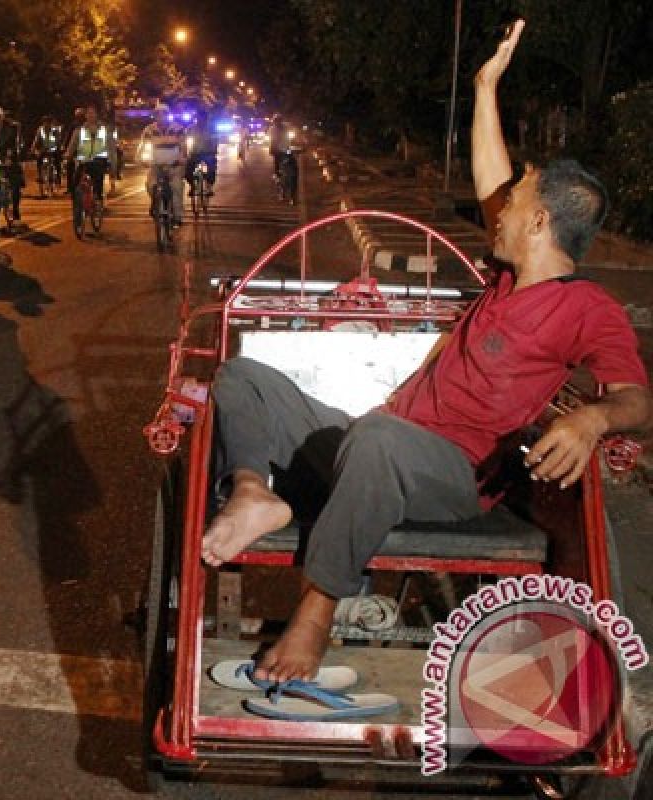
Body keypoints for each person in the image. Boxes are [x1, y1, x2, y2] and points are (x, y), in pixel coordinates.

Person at [200, 19, 652, 684]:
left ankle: (316, 616)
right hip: (375, 442)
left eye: (514, 203)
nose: (494, 210)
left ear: (539, 223)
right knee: (243, 377)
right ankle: (251, 493)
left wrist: (590, 419)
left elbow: (637, 398)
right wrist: (484, 87)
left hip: (452, 474)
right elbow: (492, 172)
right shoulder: (506, 275)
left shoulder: (587, 308)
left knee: (379, 439)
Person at [138, 103, 187, 225]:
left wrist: (182, 158)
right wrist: (140, 158)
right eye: (158, 114)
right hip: (156, 166)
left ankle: (177, 216)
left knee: (176, 187)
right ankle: (156, 205)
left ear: (168, 115)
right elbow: (142, 146)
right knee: (150, 185)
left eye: (163, 114)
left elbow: (183, 147)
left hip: (174, 166)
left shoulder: (178, 129)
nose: (161, 117)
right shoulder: (149, 130)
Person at [66, 103, 112, 209]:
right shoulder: (79, 130)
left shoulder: (104, 130)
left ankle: (98, 200)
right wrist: (68, 155)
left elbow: (111, 148)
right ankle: (77, 204)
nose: (91, 115)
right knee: (75, 180)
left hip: (99, 161)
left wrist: (112, 164)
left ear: (97, 115)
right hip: (84, 161)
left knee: (98, 180)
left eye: (93, 113)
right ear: (85, 115)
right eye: (88, 113)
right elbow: (72, 145)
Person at [0, 106, 24, 223]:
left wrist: (10, 157)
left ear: (2, 118)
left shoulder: (11, 128)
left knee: (15, 184)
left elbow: (13, 144)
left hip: (10, 156)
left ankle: (15, 210)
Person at [186, 109, 219, 196]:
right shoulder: (191, 128)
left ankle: (209, 187)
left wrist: (213, 149)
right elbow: (185, 139)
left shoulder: (211, 129)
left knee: (211, 167)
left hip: (208, 153)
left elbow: (215, 140)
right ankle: (193, 186)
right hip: (195, 154)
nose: (201, 120)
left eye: (203, 118)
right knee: (187, 169)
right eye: (199, 118)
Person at [30, 115, 63, 190]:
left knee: (57, 161)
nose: (46, 124)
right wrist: (33, 148)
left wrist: (59, 147)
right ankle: (40, 175)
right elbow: (36, 140)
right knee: (39, 159)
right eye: (45, 122)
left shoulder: (55, 130)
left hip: (53, 149)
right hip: (44, 149)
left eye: (48, 122)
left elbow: (58, 140)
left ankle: (58, 177)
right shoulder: (40, 130)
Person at [268, 115, 290, 180]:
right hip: (277, 148)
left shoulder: (285, 127)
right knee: (277, 160)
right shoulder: (272, 129)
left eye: (279, 120)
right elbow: (272, 139)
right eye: (276, 121)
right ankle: (277, 173)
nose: (278, 122)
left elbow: (288, 138)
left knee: (288, 158)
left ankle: (285, 172)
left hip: (285, 147)